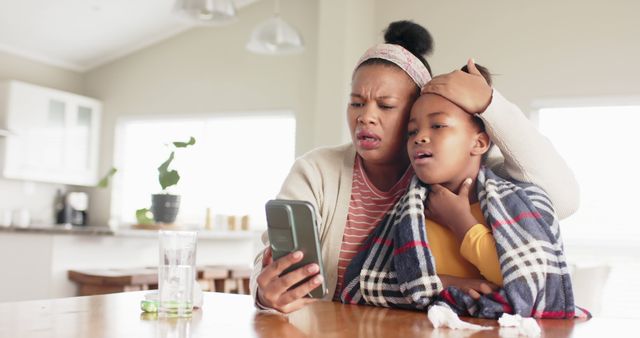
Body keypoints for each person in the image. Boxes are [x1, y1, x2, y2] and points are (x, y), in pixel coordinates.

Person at [251, 20, 579, 314]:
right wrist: (266, 295)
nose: (365, 116)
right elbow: (269, 262)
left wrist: (491, 104)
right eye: (356, 103)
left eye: (387, 105)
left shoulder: (451, 174)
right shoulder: (317, 170)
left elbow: (561, 198)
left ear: (415, 111)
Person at [339, 63, 587, 319]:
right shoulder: (410, 212)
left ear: (479, 142)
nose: (419, 137)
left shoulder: (516, 203)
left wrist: (462, 223)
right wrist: (443, 283)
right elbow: (366, 283)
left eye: (437, 126)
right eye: (412, 131)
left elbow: (528, 284)